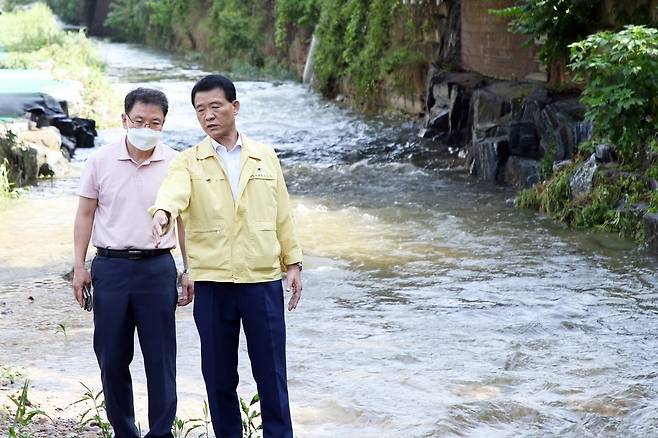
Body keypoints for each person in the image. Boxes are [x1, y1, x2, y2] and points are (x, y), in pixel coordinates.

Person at [150, 74, 303, 438]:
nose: (208, 116)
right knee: (219, 376)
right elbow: (173, 192)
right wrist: (162, 213)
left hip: (261, 280)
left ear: (234, 107)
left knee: (272, 374)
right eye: (200, 110)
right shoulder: (189, 161)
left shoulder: (265, 156)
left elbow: (282, 212)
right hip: (213, 282)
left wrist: (293, 263)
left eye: (215, 107)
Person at [72, 88, 194, 438]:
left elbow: (185, 222)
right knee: (111, 358)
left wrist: (189, 269)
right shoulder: (100, 161)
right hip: (110, 268)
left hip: (157, 269)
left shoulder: (176, 163)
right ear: (124, 119)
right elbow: (84, 215)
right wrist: (80, 267)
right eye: (139, 121)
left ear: (164, 124)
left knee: (160, 359)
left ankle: (160, 433)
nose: (146, 127)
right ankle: (124, 430)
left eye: (155, 122)